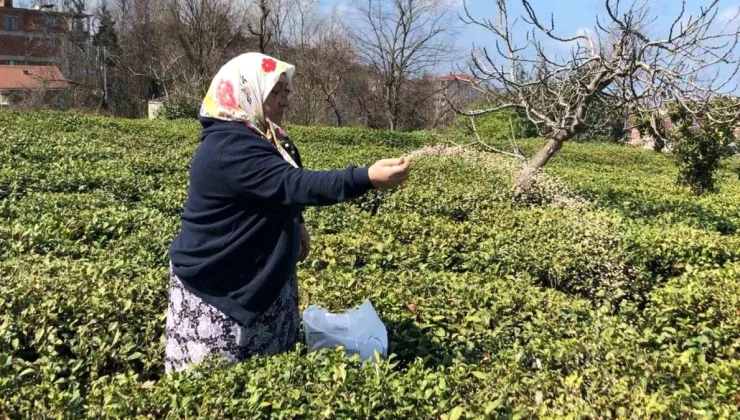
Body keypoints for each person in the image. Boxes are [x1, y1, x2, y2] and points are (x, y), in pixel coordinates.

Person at [165, 52, 411, 373]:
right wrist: (365, 178)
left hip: (262, 274)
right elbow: (294, 184)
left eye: (286, 91)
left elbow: (278, 192)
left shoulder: (268, 136)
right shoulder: (229, 148)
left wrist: (298, 223)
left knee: (270, 378)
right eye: (274, 92)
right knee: (217, 384)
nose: (284, 101)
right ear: (247, 92)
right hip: (222, 284)